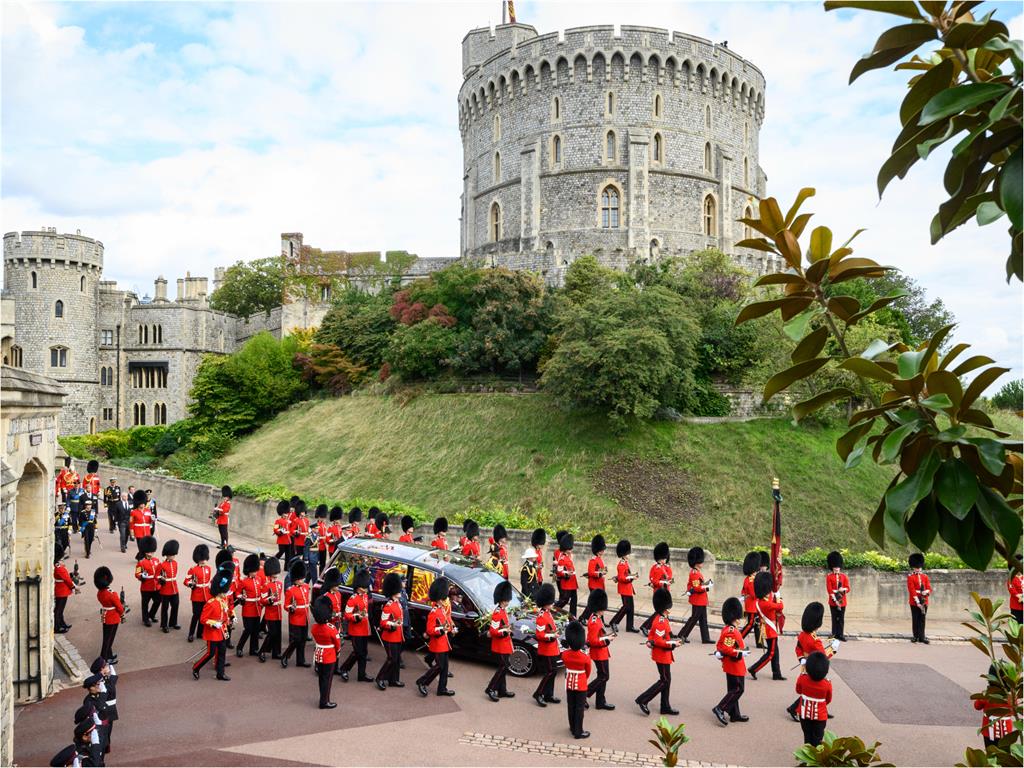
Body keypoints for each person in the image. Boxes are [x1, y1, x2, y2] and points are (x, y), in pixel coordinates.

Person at [786, 602, 840, 721]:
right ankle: (794, 709)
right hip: (815, 667)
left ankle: (821, 708)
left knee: (808, 687)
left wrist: (802, 659)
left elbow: (798, 649)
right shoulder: (815, 640)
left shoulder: (802, 635)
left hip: (806, 665)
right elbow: (823, 658)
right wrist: (833, 650)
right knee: (814, 689)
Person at [635, 587, 680, 716]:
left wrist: (671, 640)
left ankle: (665, 706)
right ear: (665, 608)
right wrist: (673, 644)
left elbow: (652, 636)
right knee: (664, 680)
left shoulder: (661, 618)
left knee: (667, 679)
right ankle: (643, 700)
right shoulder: (660, 621)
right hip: (662, 655)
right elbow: (659, 641)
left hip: (663, 654)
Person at [712, 596, 750, 726]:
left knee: (733, 689)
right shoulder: (731, 631)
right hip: (735, 665)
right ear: (734, 616)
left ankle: (734, 714)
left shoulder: (728, 629)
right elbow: (727, 649)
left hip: (731, 665)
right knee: (738, 689)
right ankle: (720, 708)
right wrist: (740, 652)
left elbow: (721, 646)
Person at [192, 563, 234, 681]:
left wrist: (230, 619)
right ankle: (196, 667)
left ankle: (220, 673)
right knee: (210, 654)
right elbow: (203, 619)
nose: (226, 593)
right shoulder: (211, 603)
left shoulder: (223, 600)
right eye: (224, 591)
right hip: (212, 632)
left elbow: (226, 613)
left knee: (222, 651)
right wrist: (214, 623)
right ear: (220, 591)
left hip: (222, 631)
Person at [416, 576, 456, 697]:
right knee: (439, 666)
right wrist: (441, 630)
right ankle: (422, 682)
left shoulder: (442, 609)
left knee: (444, 667)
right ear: (439, 599)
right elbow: (430, 630)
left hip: (444, 642)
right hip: (438, 643)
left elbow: (447, 620)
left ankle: (442, 688)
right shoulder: (434, 612)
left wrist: (452, 628)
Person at [749, 570, 785, 680]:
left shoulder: (761, 600)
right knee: (771, 653)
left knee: (775, 652)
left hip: (767, 629)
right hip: (770, 630)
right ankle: (754, 668)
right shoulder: (766, 603)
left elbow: (771, 597)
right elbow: (780, 606)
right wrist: (779, 596)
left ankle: (776, 673)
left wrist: (775, 590)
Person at [338, 569, 373, 682]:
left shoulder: (365, 596)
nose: (366, 589)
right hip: (356, 629)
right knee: (357, 652)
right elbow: (347, 615)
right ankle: (344, 669)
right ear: (359, 587)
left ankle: (361, 674)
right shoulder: (353, 599)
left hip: (364, 629)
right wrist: (356, 617)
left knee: (363, 653)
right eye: (364, 586)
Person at [585, 588, 615, 710]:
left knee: (603, 676)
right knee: (604, 676)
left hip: (602, 652)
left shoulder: (596, 617)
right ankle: (584, 694)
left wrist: (607, 636)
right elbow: (593, 641)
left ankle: (600, 701)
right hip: (598, 653)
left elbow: (599, 636)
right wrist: (608, 639)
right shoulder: (594, 621)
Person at [375, 571, 406, 690]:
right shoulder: (388, 606)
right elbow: (383, 622)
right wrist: (393, 624)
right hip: (390, 636)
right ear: (393, 591)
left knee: (396, 659)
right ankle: (380, 678)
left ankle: (393, 679)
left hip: (398, 636)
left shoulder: (398, 603)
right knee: (391, 659)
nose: (400, 591)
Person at [485, 580, 515, 702]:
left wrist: (508, 630)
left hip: (505, 644)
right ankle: (491, 688)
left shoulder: (503, 611)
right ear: (503, 600)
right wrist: (504, 632)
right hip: (500, 645)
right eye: (507, 600)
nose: (508, 601)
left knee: (504, 667)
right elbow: (493, 631)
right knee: (503, 667)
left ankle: (502, 690)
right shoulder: (497, 613)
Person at [532, 583, 561, 707]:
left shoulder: (548, 613)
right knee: (550, 672)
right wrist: (551, 636)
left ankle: (549, 695)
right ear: (545, 602)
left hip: (552, 648)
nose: (552, 603)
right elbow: (540, 635)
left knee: (553, 672)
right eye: (550, 602)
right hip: (546, 649)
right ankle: (539, 693)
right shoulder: (541, 617)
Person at [562, 620, 592, 739]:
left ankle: (572, 727)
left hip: (569, 683)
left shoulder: (565, 654)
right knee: (579, 708)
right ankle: (578, 732)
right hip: (580, 684)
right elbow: (588, 671)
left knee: (571, 706)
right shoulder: (585, 657)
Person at [975, 663, 1017, 747]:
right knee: (1006, 755)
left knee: (991, 752)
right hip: (1007, 730)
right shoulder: (1011, 696)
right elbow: (1013, 711)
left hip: (989, 729)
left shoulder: (987, 694)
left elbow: (977, 706)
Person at [796, 652, 832, 747]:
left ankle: (806, 756)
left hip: (804, 715)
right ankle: (815, 758)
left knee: (807, 737)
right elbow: (828, 700)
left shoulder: (802, 678)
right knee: (817, 739)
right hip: (820, 716)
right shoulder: (827, 684)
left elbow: (798, 690)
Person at [311, 595, 341, 709]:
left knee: (321, 678)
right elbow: (337, 643)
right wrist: (338, 651)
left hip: (319, 654)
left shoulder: (314, 627)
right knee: (327, 680)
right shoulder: (331, 628)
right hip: (329, 655)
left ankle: (322, 698)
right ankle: (324, 701)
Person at [679, 546, 713, 644]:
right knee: (693, 619)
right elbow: (697, 588)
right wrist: (707, 587)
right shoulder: (694, 573)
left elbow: (699, 585)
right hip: (698, 600)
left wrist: (705, 584)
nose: (702, 563)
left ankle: (705, 638)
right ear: (697, 562)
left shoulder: (697, 572)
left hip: (701, 600)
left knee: (703, 619)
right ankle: (682, 635)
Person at [281, 560, 312, 668]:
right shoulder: (290, 590)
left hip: (305, 618)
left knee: (303, 640)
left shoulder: (306, 588)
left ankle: (301, 660)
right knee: (296, 640)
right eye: (300, 579)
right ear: (295, 579)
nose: (302, 580)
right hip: (296, 618)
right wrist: (292, 609)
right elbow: (286, 605)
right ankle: (285, 656)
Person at [640, 542, 673, 634]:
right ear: (660, 558)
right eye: (664, 558)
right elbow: (654, 581)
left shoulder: (666, 567)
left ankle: (668, 631)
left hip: (666, 592)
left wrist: (668, 580)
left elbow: (669, 576)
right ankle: (645, 626)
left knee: (664, 612)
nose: (665, 559)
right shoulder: (655, 568)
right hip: (659, 593)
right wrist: (663, 582)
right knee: (659, 612)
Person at [257, 555, 284, 662]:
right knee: (272, 633)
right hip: (270, 612)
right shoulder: (266, 586)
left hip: (278, 612)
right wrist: (270, 600)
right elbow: (262, 600)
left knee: (278, 634)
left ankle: (276, 653)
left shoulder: (279, 584)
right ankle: (262, 651)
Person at [235, 554, 263, 656]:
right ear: (248, 571)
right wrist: (241, 597)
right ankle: (239, 647)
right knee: (248, 629)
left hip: (257, 608)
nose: (255, 573)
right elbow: (237, 593)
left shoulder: (259, 579)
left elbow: (261, 592)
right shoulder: (244, 581)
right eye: (253, 571)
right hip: (248, 608)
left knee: (256, 630)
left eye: (256, 571)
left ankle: (254, 649)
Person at [94, 566, 123, 662]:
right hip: (113, 617)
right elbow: (119, 607)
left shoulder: (100, 593)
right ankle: (104, 658)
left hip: (105, 616)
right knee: (108, 640)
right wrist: (122, 612)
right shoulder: (111, 593)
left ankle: (109, 655)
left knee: (107, 638)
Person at [89, 657, 118, 754]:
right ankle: (102, 749)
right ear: (101, 669)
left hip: (110, 709)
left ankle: (105, 747)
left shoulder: (104, 678)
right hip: (106, 710)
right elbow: (111, 687)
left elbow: (112, 680)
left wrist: (111, 666)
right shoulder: (100, 682)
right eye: (105, 666)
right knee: (105, 732)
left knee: (108, 731)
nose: (107, 666)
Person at [608, 539, 638, 633]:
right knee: (626, 607)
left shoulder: (625, 563)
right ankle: (614, 622)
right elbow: (622, 578)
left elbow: (623, 576)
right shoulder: (621, 564)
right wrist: (631, 578)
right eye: (628, 553)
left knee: (631, 608)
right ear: (624, 554)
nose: (629, 555)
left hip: (628, 588)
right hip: (624, 588)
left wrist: (631, 576)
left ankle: (630, 626)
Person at [184, 544, 212, 643]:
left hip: (206, 596)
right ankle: (191, 633)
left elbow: (209, 582)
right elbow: (186, 581)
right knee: (196, 615)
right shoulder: (193, 569)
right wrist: (191, 584)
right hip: (196, 595)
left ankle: (200, 633)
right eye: (202, 558)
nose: (204, 560)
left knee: (203, 615)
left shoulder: (209, 568)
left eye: (205, 558)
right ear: (198, 558)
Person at [134, 536, 160, 627]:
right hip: (146, 587)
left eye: (152, 552)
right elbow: (137, 574)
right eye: (149, 552)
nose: (150, 554)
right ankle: (145, 619)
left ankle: (151, 615)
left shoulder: (156, 560)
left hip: (156, 586)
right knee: (145, 604)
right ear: (145, 551)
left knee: (158, 601)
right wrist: (141, 577)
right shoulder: (141, 562)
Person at [740, 552, 763, 647]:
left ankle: (759, 643)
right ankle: (738, 638)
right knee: (750, 624)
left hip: (754, 604)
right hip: (752, 605)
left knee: (757, 624)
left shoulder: (751, 578)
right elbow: (754, 594)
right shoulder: (751, 579)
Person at [826, 551, 850, 641]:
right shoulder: (829, 577)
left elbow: (848, 588)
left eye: (837, 567)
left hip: (842, 600)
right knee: (834, 618)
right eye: (835, 567)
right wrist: (835, 599)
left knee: (841, 618)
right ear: (832, 567)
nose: (836, 569)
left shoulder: (844, 577)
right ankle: (834, 634)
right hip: (833, 600)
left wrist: (843, 590)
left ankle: (840, 634)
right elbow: (829, 589)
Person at [157, 539, 180, 633]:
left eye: (173, 555)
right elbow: (156, 575)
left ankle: (173, 623)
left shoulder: (175, 563)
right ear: (166, 555)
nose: (173, 557)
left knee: (175, 605)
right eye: (171, 555)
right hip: (165, 589)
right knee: (165, 608)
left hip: (174, 588)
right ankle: (164, 625)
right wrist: (161, 579)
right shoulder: (161, 564)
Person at [908, 552, 931, 644]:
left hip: (924, 600)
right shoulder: (911, 577)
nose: (918, 569)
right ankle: (915, 636)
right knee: (915, 618)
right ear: (913, 567)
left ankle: (922, 636)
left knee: (922, 619)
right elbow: (912, 590)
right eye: (916, 567)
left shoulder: (925, 576)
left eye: (919, 567)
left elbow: (929, 588)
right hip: (915, 601)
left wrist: (926, 592)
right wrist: (917, 602)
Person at [553, 533, 579, 617]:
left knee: (574, 600)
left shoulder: (568, 557)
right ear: (565, 549)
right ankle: (552, 609)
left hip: (573, 582)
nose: (571, 549)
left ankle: (573, 616)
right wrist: (567, 573)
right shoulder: (562, 559)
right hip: (567, 583)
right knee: (564, 600)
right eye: (569, 548)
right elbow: (559, 571)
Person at [582, 535, 607, 621]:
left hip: (600, 584)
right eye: (601, 550)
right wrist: (600, 574)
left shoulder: (599, 559)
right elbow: (591, 572)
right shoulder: (593, 560)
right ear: (597, 550)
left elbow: (600, 570)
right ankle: (583, 618)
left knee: (600, 604)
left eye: (603, 550)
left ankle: (601, 620)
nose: (602, 551)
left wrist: (603, 572)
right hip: (594, 585)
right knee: (593, 604)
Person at [54, 543, 77, 633]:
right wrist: (74, 586)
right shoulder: (59, 567)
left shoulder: (57, 565)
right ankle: (57, 626)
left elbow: (66, 576)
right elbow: (66, 579)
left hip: (61, 589)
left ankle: (61, 623)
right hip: (62, 591)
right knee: (59, 610)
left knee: (60, 609)